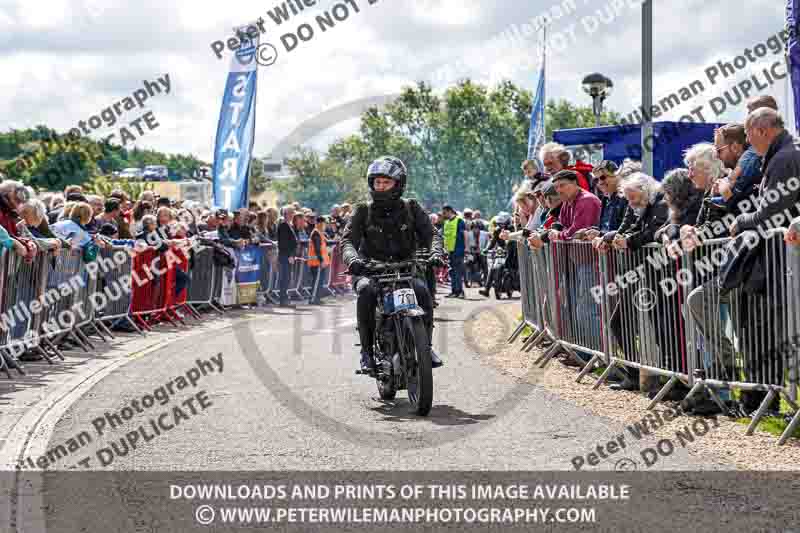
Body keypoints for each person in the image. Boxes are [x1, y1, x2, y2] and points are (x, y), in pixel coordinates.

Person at [340, 156, 443, 373]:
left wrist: (435, 252)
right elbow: (348, 241)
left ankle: (426, 347)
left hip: (405, 269)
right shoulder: (363, 210)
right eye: (377, 182)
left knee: (422, 291)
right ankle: (367, 353)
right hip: (370, 269)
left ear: (399, 184)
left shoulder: (411, 208)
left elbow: (432, 234)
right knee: (367, 291)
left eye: (386, 182)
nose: (381, 186)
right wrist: (353, 259)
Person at [713, 123, 761, 214]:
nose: (716, 156)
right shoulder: (743, 168)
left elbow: (741, 209)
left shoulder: (752, 165)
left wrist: (725, 191)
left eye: (719, 151)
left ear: (735, 147)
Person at [478, 212, 513, 297]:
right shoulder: (497, 230)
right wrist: (486, 249)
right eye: (499, 224)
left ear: (507, 223)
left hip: (512, 251)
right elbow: (493, 242)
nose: (501, 226)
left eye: (503, 224)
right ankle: (486, 289)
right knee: (493, 267)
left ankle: (514, 284)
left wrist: (509, 248)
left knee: (512, 267)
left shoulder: (512, 228)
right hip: (501, 251)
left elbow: (514, 241)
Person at [441, 205, 467, 298]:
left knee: (458, 271)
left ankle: (460, 292)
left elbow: (465, 234)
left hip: (458, 249)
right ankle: (454, 291)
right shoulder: (446, 222)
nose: (443, 215)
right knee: (452, 272)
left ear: (449, 211)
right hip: (449, 251)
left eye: (444, 213)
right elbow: (445, 237)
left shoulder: (459, 221)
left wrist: (466, 248)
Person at [277, 205, 298, 307]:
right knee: (285, 278)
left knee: (288, 277)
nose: (293, 215)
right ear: (287, 214)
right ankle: (283, 300)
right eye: (291, 213)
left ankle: (285, 298)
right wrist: (290, 255)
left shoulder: (289, 225)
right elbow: (284, 243)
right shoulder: (283, 225)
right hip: (285, 256)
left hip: (288, 255)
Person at [307, 216, 330, 305]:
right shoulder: (316, 233)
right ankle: (313, 299)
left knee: (319, 281)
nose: (325, 225)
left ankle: (317, 298)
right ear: (320, 223)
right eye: (324, 223)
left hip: (319, 262)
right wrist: (321, 261)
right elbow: (317, 249)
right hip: (317, 262)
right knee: (316, 281)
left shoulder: (320, 233)